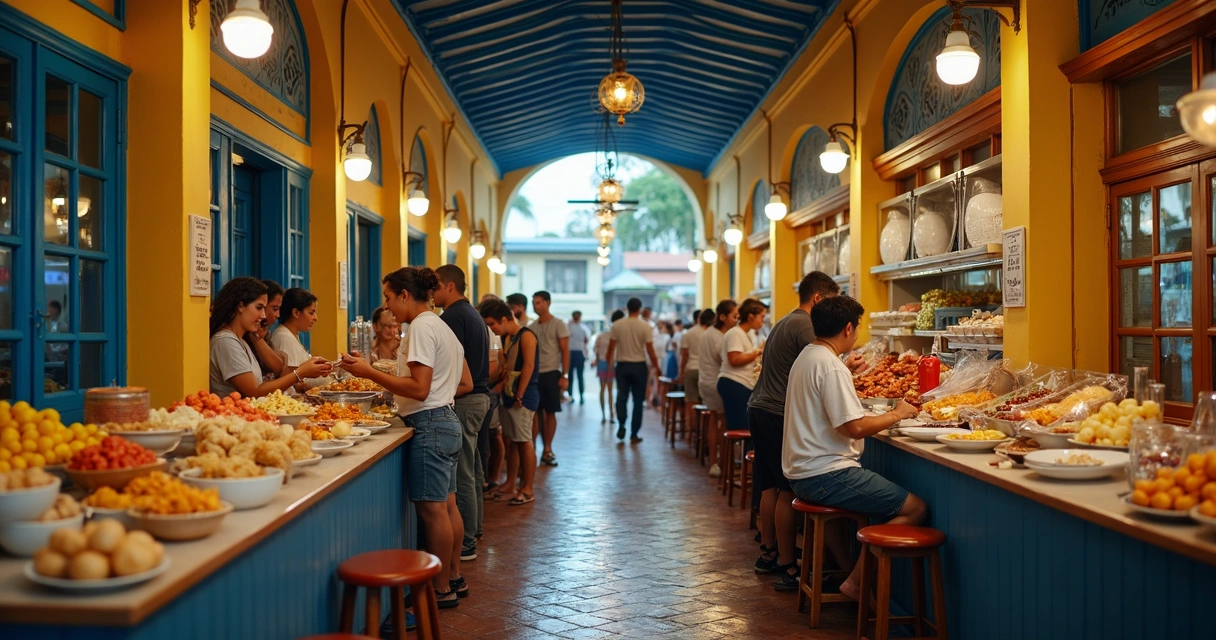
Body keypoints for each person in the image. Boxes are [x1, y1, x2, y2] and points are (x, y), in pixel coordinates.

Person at [340, 267, 473, 609]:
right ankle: (453, 576)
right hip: (445, 417)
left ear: (403, 295)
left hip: (430, 422)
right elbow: (462, 380)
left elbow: (419, 387)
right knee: (446, 506)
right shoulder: (440, 325)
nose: (387, 305)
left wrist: (369, 372)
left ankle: (440, 589)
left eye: (388, 297)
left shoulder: (421, 327)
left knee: (432, 512)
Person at [784, 295, 924, 602]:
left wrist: (846, 372)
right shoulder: (830, 367)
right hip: (825, 474)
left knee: (853, 511)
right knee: (915, 508)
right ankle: (857, 583)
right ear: (848, 328)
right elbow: (855, 428)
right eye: (857, 327)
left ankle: (849, 573)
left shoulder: (810, 356)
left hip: (802, 473)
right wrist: (896, 414)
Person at [748, 272, 864, 590]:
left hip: (760, 407)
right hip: (774, 411)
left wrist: (844, 367)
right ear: (817, 300)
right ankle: (789, 566)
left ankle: (771, 554)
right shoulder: (806, 325)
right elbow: (823, 361)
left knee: (771, 486)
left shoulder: (787, 320)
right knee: (787, 490)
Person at [434, 265, 491, 564]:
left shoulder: (454, 317)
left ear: (450, 286)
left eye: (436, 285)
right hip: (479, 397)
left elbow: (447, 364)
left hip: (467, 397)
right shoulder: (471, 313)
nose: (432, 292)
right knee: (474, 467)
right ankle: (475, 528)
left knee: (464, 471)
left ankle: (466, 540)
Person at [209, 277, 331, 398]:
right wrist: (299, 373)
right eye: (259, 307)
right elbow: (254, 392)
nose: (263, 315)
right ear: (240, 306)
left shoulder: (242, 340)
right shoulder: (225, 341)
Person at [480, 298, 539, 506]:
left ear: (504, 319)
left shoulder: (527, 336)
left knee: (524, 442)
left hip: (521, 396)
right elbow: (505, 365)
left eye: (492, 324)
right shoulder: (507, 337)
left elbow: (529, 366)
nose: (490, 328)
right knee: (512, 441)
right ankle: (510, 483)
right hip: (508, 394)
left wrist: (520, 394)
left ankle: (528, 488)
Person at [717, 298, 766, 470]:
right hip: (734, 384)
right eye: (761, 316)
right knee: (745, 428)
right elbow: (735, 359)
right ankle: (737, 468)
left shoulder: (746, 334)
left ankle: (740, 467)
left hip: (742, 384)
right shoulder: (735, 333)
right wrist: (758, 351)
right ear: (750, 316)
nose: (762, 321)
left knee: (749, 426)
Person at [607, 298, 661, 442]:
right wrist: (656, 366)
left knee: (622, 397)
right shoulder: (645, 326)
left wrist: (608, 366)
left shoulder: (617, 325)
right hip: (639, 366)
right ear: (640, 309)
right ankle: (634, 433)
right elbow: (650, 350)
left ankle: (622, 425)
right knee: (638, 400)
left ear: (627, 307)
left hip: (622, 366)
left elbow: (611, 348)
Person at [529, 291, 569, 467]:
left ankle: (547, 448)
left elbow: (565, 351)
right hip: (535, 374)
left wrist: (564, 375)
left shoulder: (559, 324)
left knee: (550, 412)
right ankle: (533, 449)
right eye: (534, 303)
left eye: (539, 302)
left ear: (547, 303)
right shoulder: (531, 327)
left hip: (552, 372)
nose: (536, 306)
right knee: (534, 413)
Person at [699, 300, 737, 476]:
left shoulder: (708, 333)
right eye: (734, 316)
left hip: (705, 381)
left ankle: (716, 461)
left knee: (715, 421)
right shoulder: (719, 337)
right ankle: (719, 463)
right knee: (721, 422)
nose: (737, 319)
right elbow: (728, 360)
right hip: (715, 382)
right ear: (723, 317)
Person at [268, 288, 332, 392]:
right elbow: (291, 384)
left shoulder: (292, 335)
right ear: (296, 312)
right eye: (311, 313)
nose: (315, 318)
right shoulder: (284, 338)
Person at [679, 309, 712, 439]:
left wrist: (681, 372)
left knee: (691, 402)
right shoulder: (710, 334)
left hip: (691, 369)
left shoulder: (688, 334)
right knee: (706, 404)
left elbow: (684, 355)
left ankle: (692, 432)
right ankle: (703, 433)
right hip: (706, 371)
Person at [247, 280, 287, 379]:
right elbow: (277, 367)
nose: (277, 315)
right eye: (274, 309)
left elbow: (280, 365)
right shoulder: (245, 333)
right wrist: (258, 340)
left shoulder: (264, 330)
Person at [592, 310, 625, 424]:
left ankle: (605, 415)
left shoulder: (602, 335)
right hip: (610, 363)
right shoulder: (614, 335)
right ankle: (610, 414)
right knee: (609, 390)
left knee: (603, 389)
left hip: (603, 363)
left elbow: (595, 349)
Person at [566, 311, 590, 405]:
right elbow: (586, 340)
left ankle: (571, 396)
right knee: (580, 376)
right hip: (579, 353)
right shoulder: (583, 328)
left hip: (570, 353)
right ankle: (581, 397)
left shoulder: (568, 327)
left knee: (570, 377)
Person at [650, 322, 672, 407]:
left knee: (660, 381)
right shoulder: (660, 337)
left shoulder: (665, 337)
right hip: (660, 361)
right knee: (658, 381)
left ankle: (659, 398)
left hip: (662, 361)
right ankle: (657, 398)